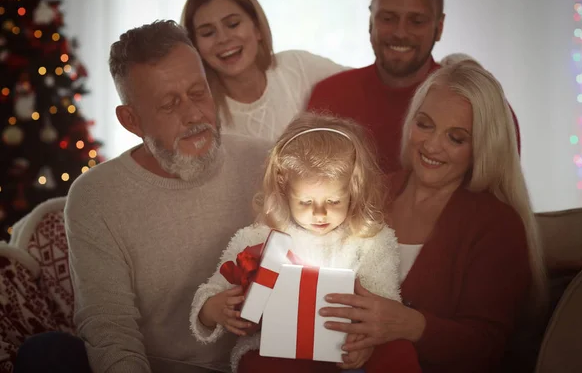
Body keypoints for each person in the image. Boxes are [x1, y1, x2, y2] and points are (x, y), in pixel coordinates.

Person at [15, 20, 270, 373]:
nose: (194, 115)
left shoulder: (266, 162)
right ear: (131, 120)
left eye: (198, 93)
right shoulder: (95, 196)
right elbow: (110, 329)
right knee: (46, 354)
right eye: (169, 105)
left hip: (257, 363)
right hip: (155, 368)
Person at [318, 59, 546, 373]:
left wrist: (411, 325)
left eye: (456, 138)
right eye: (425, 124)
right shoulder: (370, 191)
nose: (432, 145)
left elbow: (488, 350)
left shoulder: (499, 226)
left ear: (482, 147)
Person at [189, 113, 422, 373]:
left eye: (333, 201)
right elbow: (212, 290)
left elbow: (384, 303)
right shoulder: (259, 236)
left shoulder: (369, 240)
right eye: (306, 202)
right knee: (260, 365)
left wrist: (365, 342)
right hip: (275, 349)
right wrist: (212, 309)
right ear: (284, 189)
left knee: (398, 352)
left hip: (345, 345)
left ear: (353, 190)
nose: (320, 213)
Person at [307, 0, 520, 174]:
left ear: (439, 27)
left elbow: (497, 206)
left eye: (416, 21)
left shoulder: (481, 107)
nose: (400, 32)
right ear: (371, 21)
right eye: (388, 18)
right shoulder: (329, 98)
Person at [181, 0, 346, 142]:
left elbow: (364, 85)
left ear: (257, 28)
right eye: (208, 33)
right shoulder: (200, 114)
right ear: (195, 47)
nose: (223, 38)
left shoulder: (298, 65)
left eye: (233, 24)